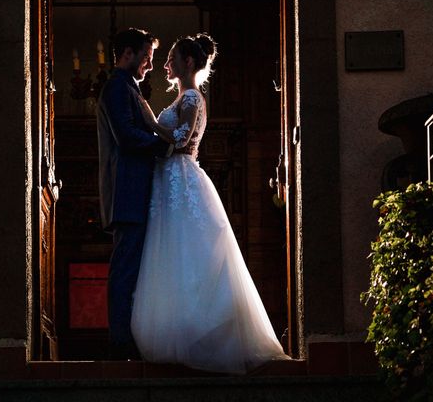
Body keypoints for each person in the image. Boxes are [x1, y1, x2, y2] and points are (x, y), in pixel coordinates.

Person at [131, 33, 289, 374]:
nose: (166, 64)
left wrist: (148, 121)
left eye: (172, 57)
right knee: (172, 253)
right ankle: (179, 332)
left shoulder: (191, 99)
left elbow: (180, 138)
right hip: (168, 179)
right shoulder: (181, 99)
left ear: (189, 62)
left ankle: (202, 335)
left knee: (189, 250)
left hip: (181, 177)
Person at [96, 27, 173, 360]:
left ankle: (128, 338)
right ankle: (119, 342)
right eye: (146, 57)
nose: (150, 65)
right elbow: (126, 136)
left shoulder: (128, 87)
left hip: (136, 189)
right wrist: (163, 145)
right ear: (127, 53)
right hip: (127, 191)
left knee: (132, 266)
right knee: (125, 267)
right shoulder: (116, 87)